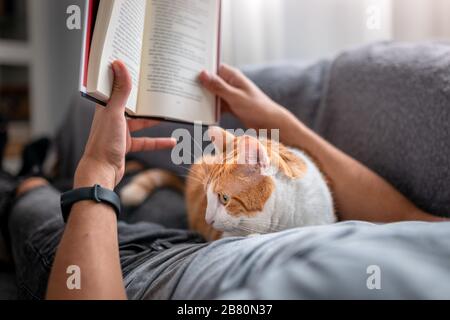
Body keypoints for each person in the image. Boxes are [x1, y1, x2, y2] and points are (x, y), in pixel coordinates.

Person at [2, 60, 446, 300]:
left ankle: (27, 176)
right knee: (157, 197)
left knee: (35, 199)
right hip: (206, 235)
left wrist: (95, 171)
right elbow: (408, 217)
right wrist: (281, 122)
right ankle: (127, 177)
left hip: (140, 274)